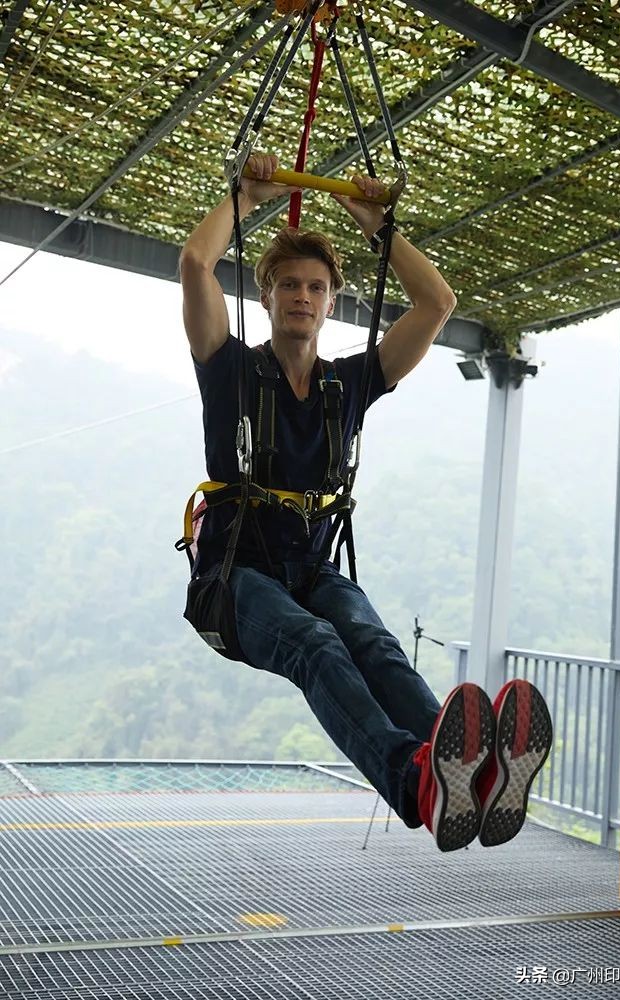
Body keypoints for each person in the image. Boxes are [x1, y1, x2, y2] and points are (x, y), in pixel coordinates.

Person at [179, 153, 552, 851]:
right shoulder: (230, 370)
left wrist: (378, 226)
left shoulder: (345, 386)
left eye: (315, 287)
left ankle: (464, 775)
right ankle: (414, 780)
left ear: (330, 302)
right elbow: (196, 266)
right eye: (288, 284)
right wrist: (246, 198)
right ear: (265, 296)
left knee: (374, 645)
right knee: (316, 643)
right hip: (235, 580)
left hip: (313, 571)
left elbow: (435, 303)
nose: (301, 295)